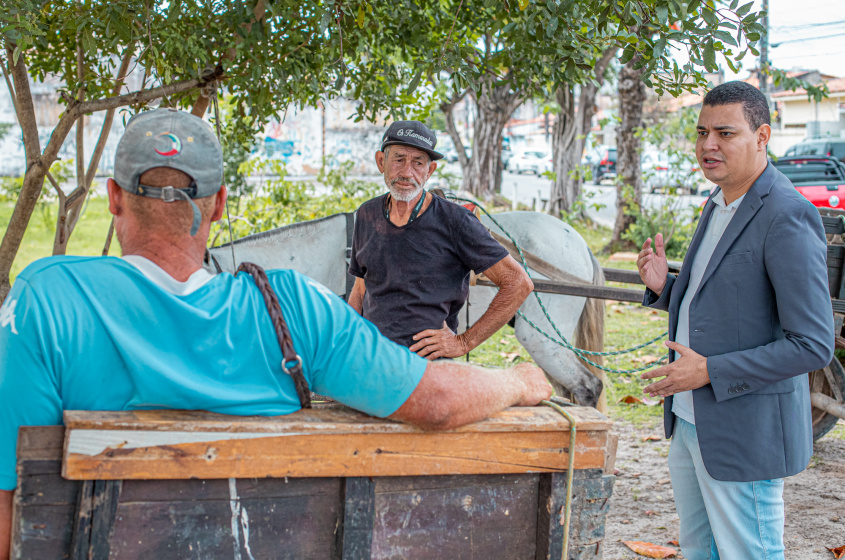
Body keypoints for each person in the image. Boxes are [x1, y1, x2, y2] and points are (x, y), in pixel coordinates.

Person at [0, 109, 552, 558]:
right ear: (218, 205)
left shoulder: (42, 301)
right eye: (399, 159)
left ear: (114, 199)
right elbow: (437, 401)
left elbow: (9, 519)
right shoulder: (296, 310)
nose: (407, 170)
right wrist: (517, 381)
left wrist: (459, 342)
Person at [636, 81, 834, 560]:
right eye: (702, 132)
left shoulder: (786, 215)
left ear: (762, 136)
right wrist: (667, 288)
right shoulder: (720, 200)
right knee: (698, 549)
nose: (708, 145)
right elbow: (727, 298)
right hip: (691, 420)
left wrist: (709, 371)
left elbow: (812, 344)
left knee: (750, 552)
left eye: (725, 133)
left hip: (744, 429)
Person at [348, 120, 534, 359]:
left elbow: (518, 282)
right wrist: (350, 339)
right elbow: (361, 288)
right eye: (398, 159)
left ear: (430, 171)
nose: (407, 172)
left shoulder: (456, 221)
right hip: (374, 357)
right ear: (381, 162)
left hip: (428, 364)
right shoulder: (367, 214)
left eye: (418, 163)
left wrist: (464, 343)